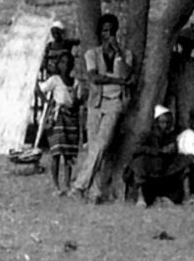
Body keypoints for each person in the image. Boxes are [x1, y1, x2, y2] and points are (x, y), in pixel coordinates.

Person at [70, 13, 133, 202]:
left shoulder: (125, 54)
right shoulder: (92, 54)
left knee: (102, 143)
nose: (108, 34)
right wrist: (118, 80)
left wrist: (119, 54)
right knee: (95, 148)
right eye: (105, 31)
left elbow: (127, 74)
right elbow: (94, 77)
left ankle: (79, 185)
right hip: (96, 102)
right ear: (100, 33)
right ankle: (95, 192)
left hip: (114, 102)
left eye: (112, 31)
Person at [129, 106, 194, 207]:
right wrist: (158, 151)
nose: (164, 125)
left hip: (168, 166)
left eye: (167, 122)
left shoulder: (173, 134)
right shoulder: (147, 134)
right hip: (151, 164)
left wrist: (173, 149)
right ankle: (140, 197)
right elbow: (137, 149)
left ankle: (187, 197)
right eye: (162, 122)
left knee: (185, 161)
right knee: (138, 163)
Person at [38, 52, 80, 195]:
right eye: (62, 62)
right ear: (58, 64)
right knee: (56, 152)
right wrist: (46, 102)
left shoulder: (75, 82)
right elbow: (39, 88)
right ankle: (56, 185)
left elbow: (78, 99)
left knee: (68, 154)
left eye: (68, 62)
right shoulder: (55, 80)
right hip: (58, 118)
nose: (65, 65)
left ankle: (67, 185)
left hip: (71, 118)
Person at [165, 25, 194, 130]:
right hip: (176, 101)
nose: (187, 48)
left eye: (190, 46)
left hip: (192, 101)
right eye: (185, 44)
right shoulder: (174, 61)